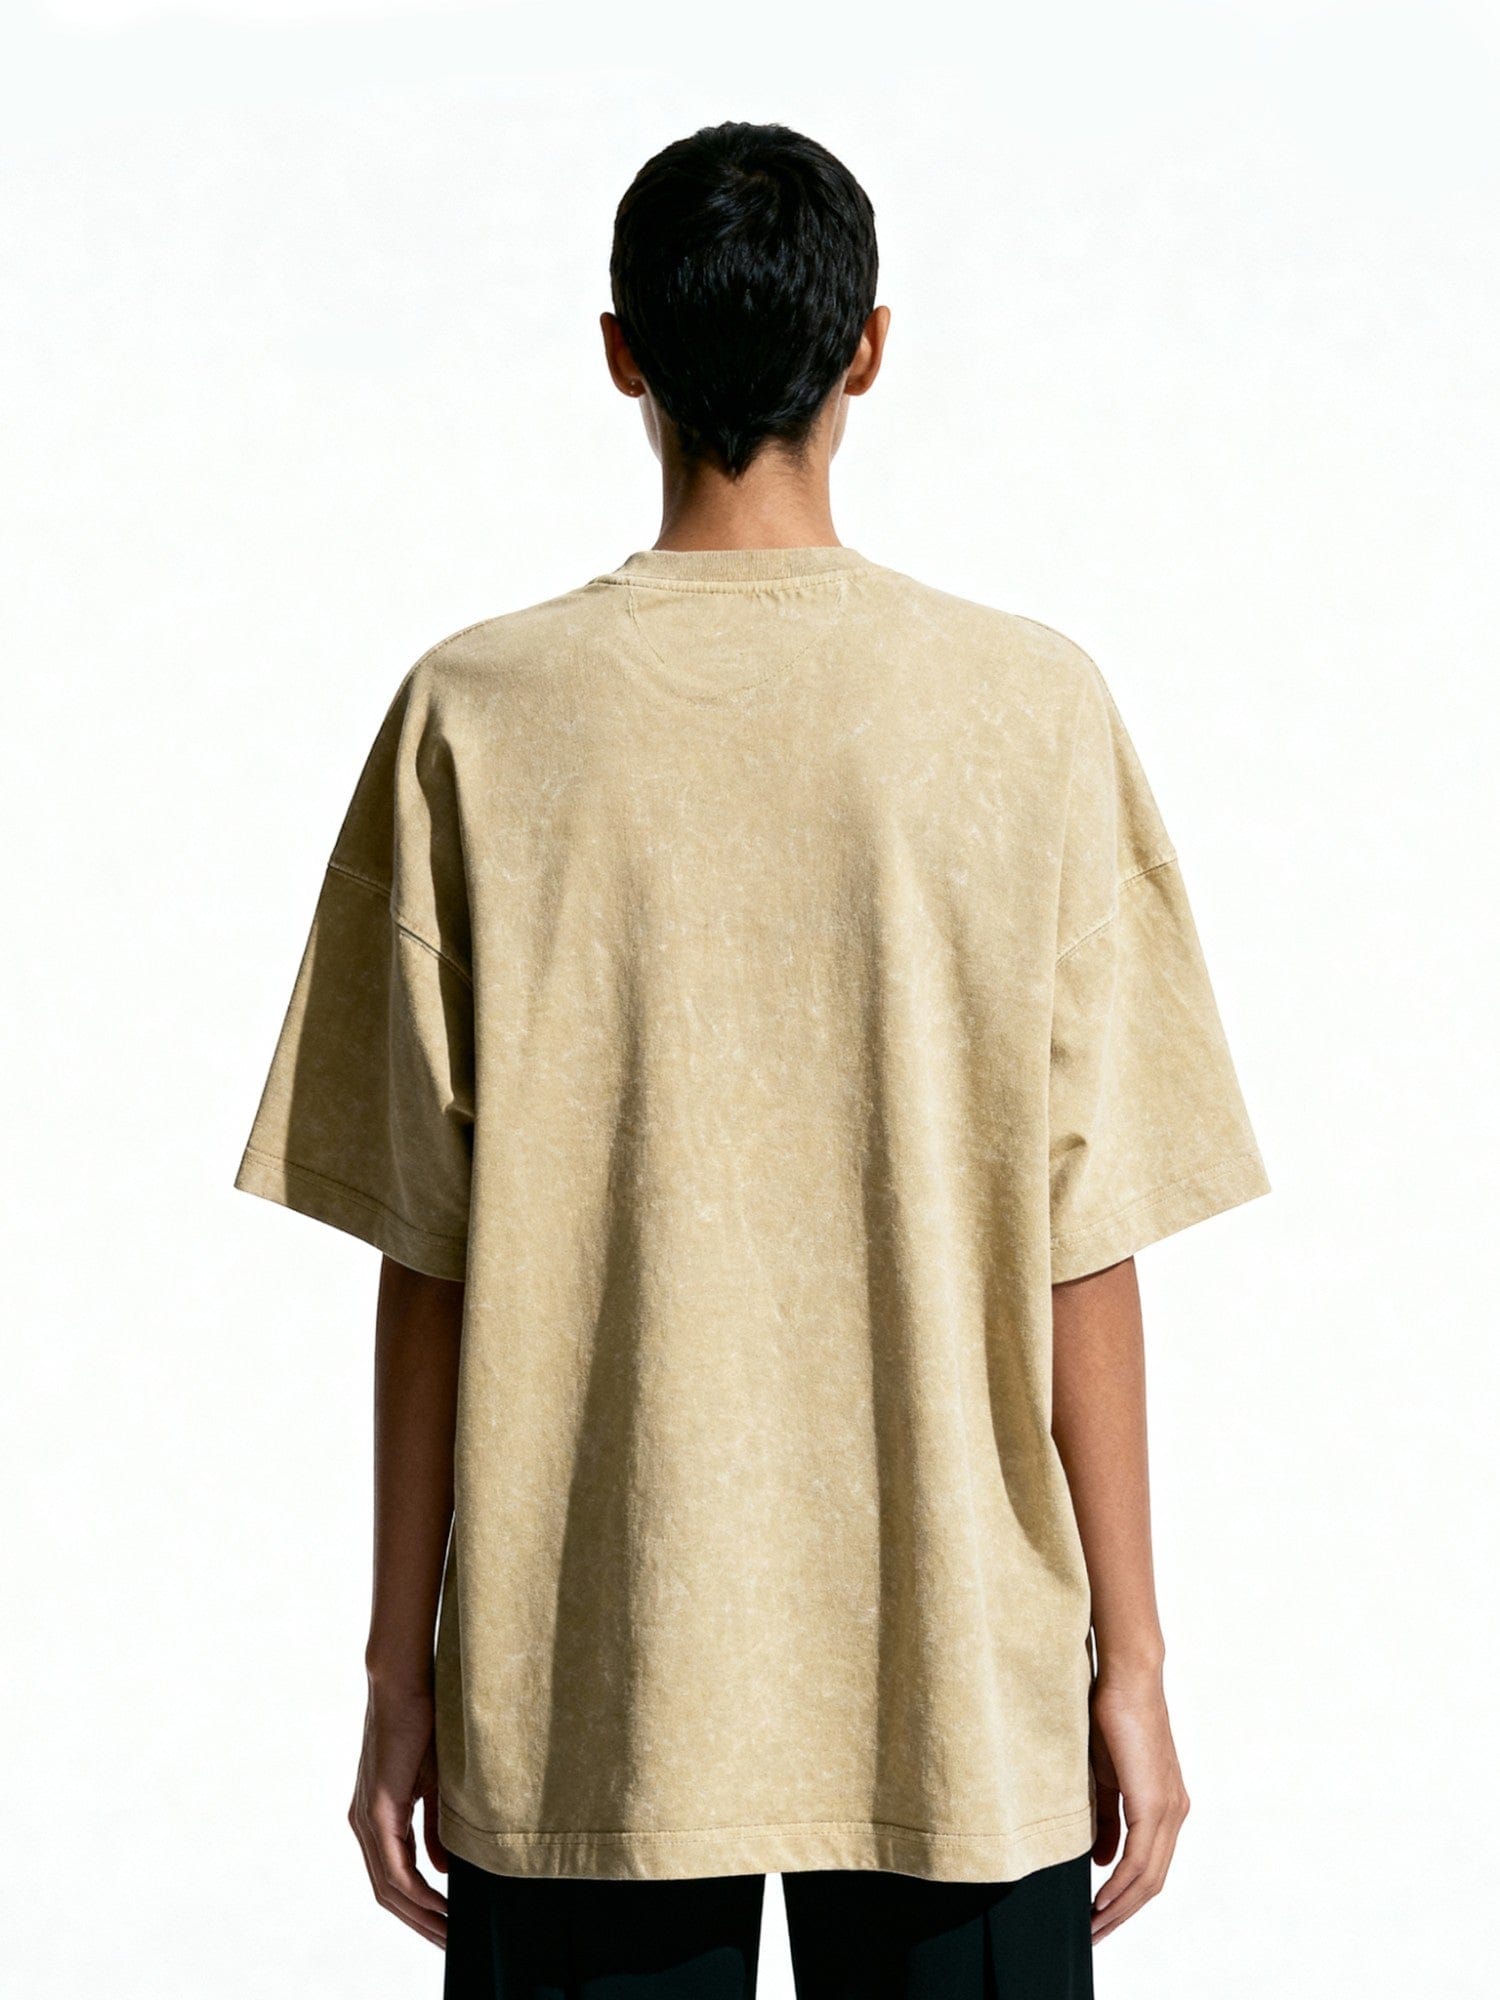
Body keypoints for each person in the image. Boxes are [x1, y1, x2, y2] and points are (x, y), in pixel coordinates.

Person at [234, 120, 1271, 1997]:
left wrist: (400, 1676)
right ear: (866, 349)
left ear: (619, 351)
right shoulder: (1030, 709)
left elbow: (428, 1257)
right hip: (956, 1678)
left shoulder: (475, 715)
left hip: (588, 1678)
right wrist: (1133, 1660)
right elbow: (1085, 1240)